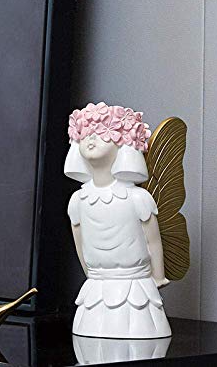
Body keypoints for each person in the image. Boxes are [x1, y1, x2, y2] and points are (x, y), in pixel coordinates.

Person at [64, 102, 171, 338]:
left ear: (124, 144)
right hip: (96, 290)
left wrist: (158, 275)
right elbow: (80, 243)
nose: (91, 140)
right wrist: (92, 275)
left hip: (136, 288)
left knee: (139, 330)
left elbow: (153, 241)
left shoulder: (137, 198)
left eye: (103, 134)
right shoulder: (78, 200)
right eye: (86, 134)